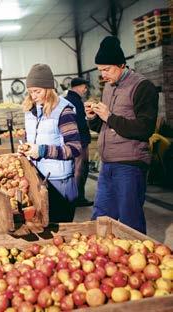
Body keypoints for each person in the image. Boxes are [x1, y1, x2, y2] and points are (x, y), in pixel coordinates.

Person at [85, 36, 158, 234]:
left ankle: (136, 260)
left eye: (107, 69)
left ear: (122, 65)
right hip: (108, 164)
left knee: (129, 220)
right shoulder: (108, 87)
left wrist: (109, 116)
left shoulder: (142, 87)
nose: (103, 75)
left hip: (130, 165)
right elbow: (106, 126)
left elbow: (145, 128)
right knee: (100, 217)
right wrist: (93, 118)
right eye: (100, 70)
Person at [18, 63, 81, 222]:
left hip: (59, 183)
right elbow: (33, 141)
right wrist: (26, 149)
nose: (33, 96)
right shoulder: (31, 111)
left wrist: (42, 151)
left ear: (49, 88)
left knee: (60, 229)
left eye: (37, 91)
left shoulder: (63, 111)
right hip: (37, 178)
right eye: (31, 91)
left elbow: (74, 149)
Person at [65, 77, 93, 207]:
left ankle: (74, 196)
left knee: (75, 169)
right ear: (78, 86)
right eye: (84, 87)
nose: (85, 90)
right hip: (80, 141)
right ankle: (78, 198)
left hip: (74, 140)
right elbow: (80, 123)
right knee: (80, 169)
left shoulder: (67, 100)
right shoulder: (75, 101)